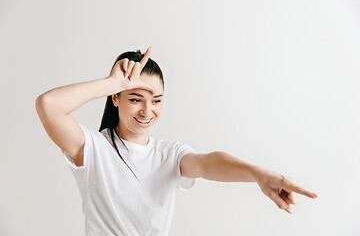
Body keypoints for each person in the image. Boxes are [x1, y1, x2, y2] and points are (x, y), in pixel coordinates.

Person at [35, 46, 318, 235]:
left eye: (156, 100)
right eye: (136, 98)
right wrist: (113, 82)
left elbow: (208, 163)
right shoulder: (93, 148)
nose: (148, 111)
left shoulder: (169, 155)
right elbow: (48, 105)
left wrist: (258, 174)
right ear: (116, 99)